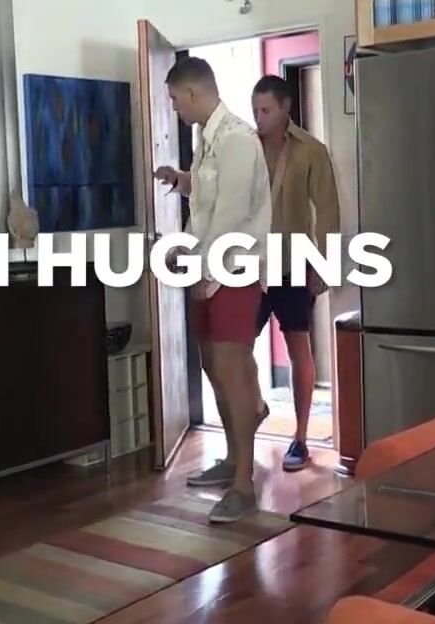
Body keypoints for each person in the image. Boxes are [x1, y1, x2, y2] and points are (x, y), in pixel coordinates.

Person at [153, 56, 271, 524]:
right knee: (214, 369)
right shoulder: (208, 138)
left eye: (174, 99)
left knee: (231, 370)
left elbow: (230, 215)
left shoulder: (238, 139)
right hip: (206, 269)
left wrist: (202, 265)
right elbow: (206, 205)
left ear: (193, 93)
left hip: (232, 271)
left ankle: (244, 485)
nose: (174, 108)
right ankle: (232, 459)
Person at [249, 74, 341, 472]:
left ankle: (301, 439)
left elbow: (328, 211)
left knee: (298, 349)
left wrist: (324, 265)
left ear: (285, 107)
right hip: (251, 266)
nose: (259, 118)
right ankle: (255, 407)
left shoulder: (311, 151)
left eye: (265, 110)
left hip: (293, 265)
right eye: (255, 110)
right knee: (233, 348)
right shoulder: (246, 148)